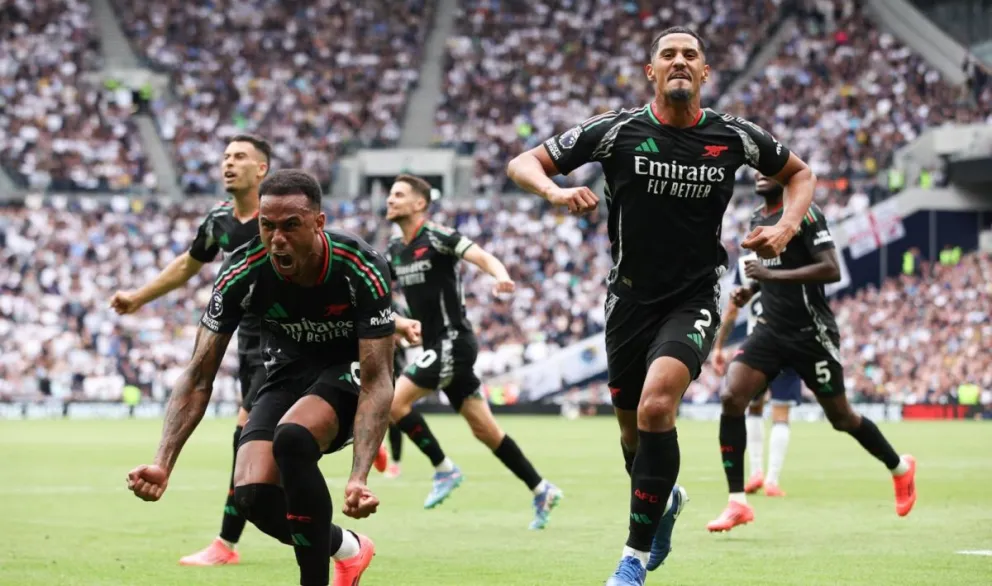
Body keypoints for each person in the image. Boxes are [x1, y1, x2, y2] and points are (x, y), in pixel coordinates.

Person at [506, 26, 818, 586]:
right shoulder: (617, 130)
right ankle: (665, 500)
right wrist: (554, 192)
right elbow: (523, 162)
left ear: (705, 72)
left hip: (693, 297)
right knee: (632, 439)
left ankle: (633, 559)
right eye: (668, 55)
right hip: (627, 302)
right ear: (651, 71)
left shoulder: (735, 136)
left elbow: (799, 173)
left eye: (690, 55)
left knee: (656, 408)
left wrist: (787, 226)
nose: (679, 61)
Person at [126, 169, 421, 586]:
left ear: (318, 223)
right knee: (252, 495)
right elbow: (197, 376)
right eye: (267, 226)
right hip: (285, 373)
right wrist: (162, 462)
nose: (277, 239)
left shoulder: (361, 265)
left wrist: (359, 476)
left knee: (293, 438)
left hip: (347, 370)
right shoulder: (242, 271)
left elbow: (377, 378)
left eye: (290, 226)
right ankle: (350, 549)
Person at [706, 172, 917, 533]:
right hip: (769, 331)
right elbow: (772, 272)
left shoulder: (806, 214)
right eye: (755, 169)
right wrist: (752, 290)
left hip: (811, 335)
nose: (758, 174)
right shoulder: (759, 218)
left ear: (786, 177)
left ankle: (900, 467)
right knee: (731, 397)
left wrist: (768, 279)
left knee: (842, 418)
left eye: (767, 169)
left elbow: (831, 269)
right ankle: (737, 502)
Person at [110, 134, 271, 566]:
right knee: (258, 446)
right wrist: (140, 297)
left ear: (262, 170)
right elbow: (188, 264)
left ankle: (232, 543)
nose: (228, 164)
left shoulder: (279, 217)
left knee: (254, 444)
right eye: (225, 157)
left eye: (240, 157)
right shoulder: (219, 220)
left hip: (286, 337)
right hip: (249, 343)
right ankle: (236, 542)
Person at [384, 174, 563, 530]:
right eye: (390, 194)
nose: (390, 200)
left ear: (419, 203)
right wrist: (398, 322)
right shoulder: (393, 250)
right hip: (436, 345)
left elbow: (480, 255)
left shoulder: (436, 236)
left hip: (454, 341)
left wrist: (500, 275)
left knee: (393, 403)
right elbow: (378, 294)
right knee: (486, 431)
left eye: (399, 194)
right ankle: (541, 488)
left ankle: (444, 469)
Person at [710, 177, 808, 499]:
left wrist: (721, 347)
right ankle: (771, 479)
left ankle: (754, 472)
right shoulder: (792, 254)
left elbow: (733, 309)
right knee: (780, 412)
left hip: (758, 339)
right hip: (790, 338)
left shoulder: (747, 264)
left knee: (752, 406)